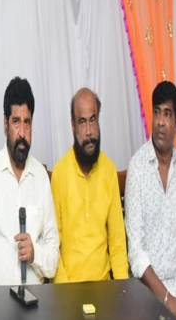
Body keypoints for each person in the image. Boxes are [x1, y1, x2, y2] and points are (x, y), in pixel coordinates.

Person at [0, 78, 58, 285]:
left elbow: (53, 259)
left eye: (27, 122)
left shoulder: (41, 177)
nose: (22, 133)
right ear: (5, 124)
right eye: (16, 122)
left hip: (35, 299)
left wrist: (35, 253)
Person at [126, 81, 176, 320]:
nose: (161, 122)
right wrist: (168, 300)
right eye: (157, 113)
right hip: (146, 290)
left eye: (167, 114)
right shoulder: (137, 168)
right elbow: (135, 252)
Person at [52, 88, 129, 283]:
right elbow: (53, 245)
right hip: (68, 287)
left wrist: (123, 290)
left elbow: (118, 243)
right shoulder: (60, 173)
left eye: (92, 120)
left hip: (104, 287)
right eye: (82, 122)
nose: (88, 131)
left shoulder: (108, 170)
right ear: (73, 126)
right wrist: (65, 290)